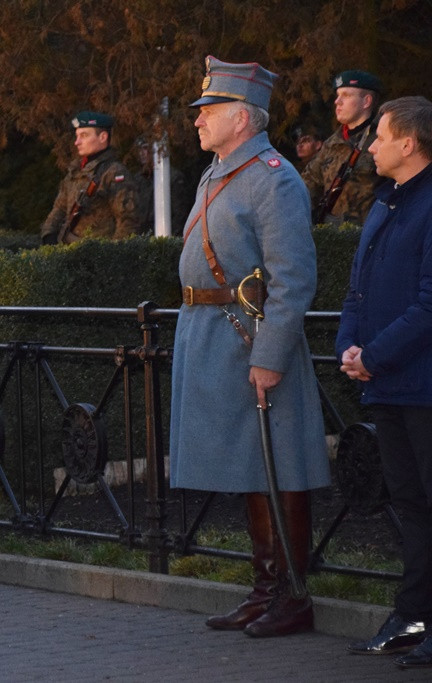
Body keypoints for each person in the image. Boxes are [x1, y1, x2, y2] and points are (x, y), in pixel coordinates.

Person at [169, 56, 331, 638]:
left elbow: (293, 279)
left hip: (252, 338)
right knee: (250, 466)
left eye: (208, 110)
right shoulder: (218, 173)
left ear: (241, 118)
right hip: (214, 334)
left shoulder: (274, 176)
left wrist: (269, 356)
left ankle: (292, 596)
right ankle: (265, 589)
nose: (198, 120)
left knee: (278, 463)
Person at [336, 96, 432, 669]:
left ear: (410, 144)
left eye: (379, 136)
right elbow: (357, 289)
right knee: (410, 505)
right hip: (387, 385)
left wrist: (374, 354)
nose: (368, 145)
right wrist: (350, 349)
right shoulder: (385, 205)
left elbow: (429, 304)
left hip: (422, 386)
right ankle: (413, 615)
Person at [39, 110, 147, 243]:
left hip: (98, 254)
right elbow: (59, 208)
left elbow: (128, 221)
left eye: (83, 135)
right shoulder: (76, 171)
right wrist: (48, 236)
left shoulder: (114, 173)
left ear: (103, 137)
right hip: (71, 252)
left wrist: (113, 255)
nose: (77, 142)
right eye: (77, 136)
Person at [302, 70, 384, 225]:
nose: (337, 101)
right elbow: (308, 184)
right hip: (330, 236)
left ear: (366, 101)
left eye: (346, 95)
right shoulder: (331, 143)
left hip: (367, 237)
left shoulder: (383, 140)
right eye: (338, 95)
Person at [133, 134, 192, 234]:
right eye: (139, 150)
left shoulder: (172, 177)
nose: (142, 153)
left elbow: (180, 215)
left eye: (145, 148)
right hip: (143, 238)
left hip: (166, 236)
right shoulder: (138, 179)